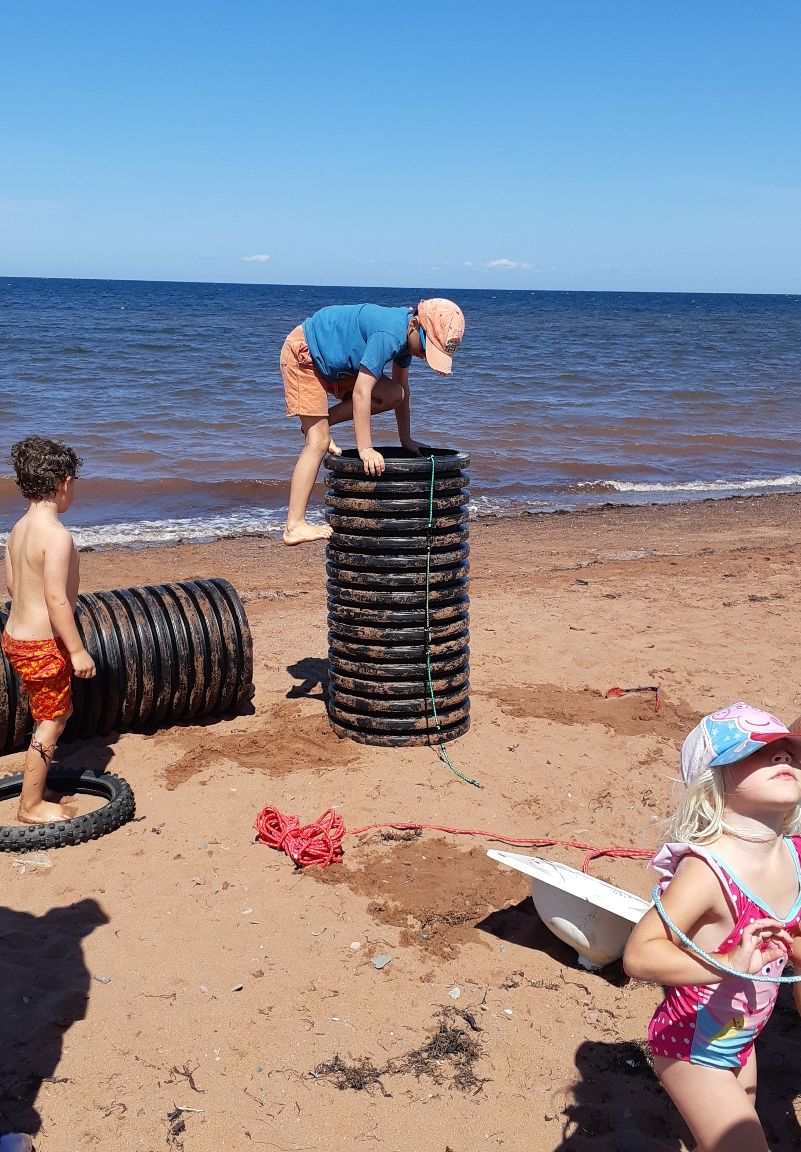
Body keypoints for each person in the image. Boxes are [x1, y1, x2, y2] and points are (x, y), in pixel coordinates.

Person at [623, 703, 801, 1152]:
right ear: (713, 780)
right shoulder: (708, 870)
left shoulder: (795, 855)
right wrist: (726, 962)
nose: (782, 756)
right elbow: (640, 953)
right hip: (691, 1047)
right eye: (757, 752)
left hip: (742, 1038)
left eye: (788, 750)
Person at [279, 298, 465, 545]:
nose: (423, 356)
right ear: (415, 325)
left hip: (339, 363)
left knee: (394, 394)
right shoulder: (389, 335)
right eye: (425, 348)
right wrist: (365, 448)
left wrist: (406, 439)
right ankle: (294, 526)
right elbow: (361, 392)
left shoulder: (406, 337)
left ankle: (318, 424)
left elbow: (402, 387)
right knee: (318, 442)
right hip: (306, 354)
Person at [2, 436, 96, 825]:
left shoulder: (17, 529)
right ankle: (30, 806)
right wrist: (76, 650)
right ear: (64, 483)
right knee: (53, 719)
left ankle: (37, 788)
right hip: (42, 644)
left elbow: (12, 586)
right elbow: (56, 600)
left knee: (52, 710)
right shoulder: (57, 536)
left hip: (15, 637)